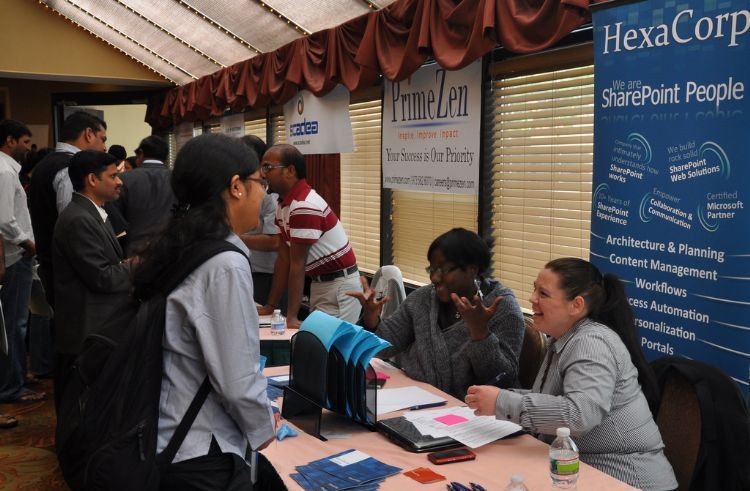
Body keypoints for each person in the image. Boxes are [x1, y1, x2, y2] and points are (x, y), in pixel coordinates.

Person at [131, 134, 275, 488]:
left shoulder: (186, 243)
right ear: (236, 186)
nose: (264, 194)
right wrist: (264, 428)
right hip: (200, 448)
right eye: (261, 182)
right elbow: (236, 378)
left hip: (167, 431)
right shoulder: (224, 263)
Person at [465, 258, 677, 491]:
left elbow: (579, 415)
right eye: (534, 289)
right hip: (578, 469)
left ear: (576, 305)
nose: (532, 298)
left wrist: (502, 402)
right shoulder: (565, 336)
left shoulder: (591, 343)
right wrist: (502, 397)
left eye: (543, 293)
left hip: (626, 478)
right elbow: (556, 399)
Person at [349, 228, 525, 400]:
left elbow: (503, 381)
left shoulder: (502, 308)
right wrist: (371, 320)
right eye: (432, 269)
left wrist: (480, 333)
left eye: (444, 270)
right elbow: (385, 347)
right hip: (414, 397)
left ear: (472, 269)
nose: (434, 278)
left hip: (470, 410)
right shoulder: (424, 299)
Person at [52, 151, 131, 407]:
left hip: (96, 325)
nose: (119, 181)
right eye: (113, 176)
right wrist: (138, 265)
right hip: (86, 328)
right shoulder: (79, 219)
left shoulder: (93, 213)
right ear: (92, 180)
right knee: (82, 407)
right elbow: (102, 277)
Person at [259, 144, 361, 328]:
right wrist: (270, 306)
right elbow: (283, 260)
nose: (262, 174)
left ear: (290, 171)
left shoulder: (304, 205)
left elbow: (297, 264)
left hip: (338, 287)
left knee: (328, 344)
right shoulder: (283, 205)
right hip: (321, 283)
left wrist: (291, 317)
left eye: (268, 167)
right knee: (314, 341)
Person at [28, 110, 108, 309]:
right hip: (70, 272)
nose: (104, 147)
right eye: (102, 139)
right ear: (88, 134)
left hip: (51, 263)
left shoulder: (45, 164)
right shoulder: (69, 167)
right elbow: (74, 226)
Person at [0, 119, 45, 403]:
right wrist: (26, 243)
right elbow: (5, 219)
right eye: (25, 142)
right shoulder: (5, 171)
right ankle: (11, 386)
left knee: (14, 323)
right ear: (10, 140)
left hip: (14, 255)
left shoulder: (7, 169)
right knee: (14, 324)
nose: (28, 148)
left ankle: (14, 377)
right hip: (15, 256)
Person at [237, 135, 283, 308]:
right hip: (248, 269)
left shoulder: (270, 193)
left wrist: (234, 237)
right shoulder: (240, 186)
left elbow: (274, 241)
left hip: (266, 275)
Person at [114, 135, 175, 256]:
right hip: (170, 251)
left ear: (141, 153)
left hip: (134, 253)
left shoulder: (123, 179)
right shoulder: (177, 178)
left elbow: (116, 219)